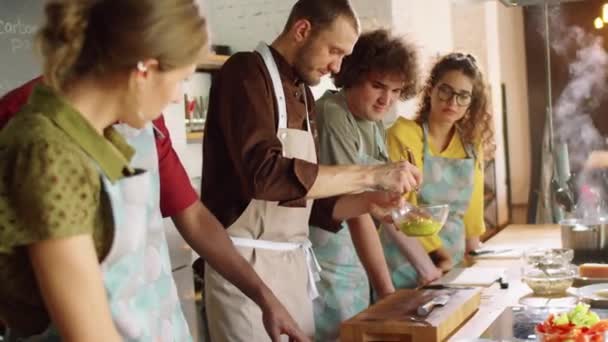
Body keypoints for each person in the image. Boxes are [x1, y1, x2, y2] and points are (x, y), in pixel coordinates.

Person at [0, 0, 305, 341]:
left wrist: (262, 296)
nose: (177, 98)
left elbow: (190, 216)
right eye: (180, 81)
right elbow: (90, 333)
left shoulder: (105, 133)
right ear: (144, 69)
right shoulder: (47, 152)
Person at [201, 0, 421, 340]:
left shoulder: (304, 95)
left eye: (344, 57)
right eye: (334, 51)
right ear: (302, 30)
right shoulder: (244, 72)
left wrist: (370, 202)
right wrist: (371, 174)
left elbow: (310, 202)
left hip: (293, 273)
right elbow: (266, 175)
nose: (337, 67)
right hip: (243, 273)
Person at [309, 28, 442, 341]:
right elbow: (355, 207)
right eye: (377, 86)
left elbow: (388, 205)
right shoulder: (334, 114)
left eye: (396, 91)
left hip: (354, 261)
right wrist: (387, 292)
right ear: (352, 75)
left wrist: (428, 270)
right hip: (327, 262)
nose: (387, 99)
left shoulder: (373, 122)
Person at [383, 52, 495, 287]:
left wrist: (475, 263)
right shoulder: (403, 135)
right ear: (431, 88)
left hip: (452, 266)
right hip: (408, 262)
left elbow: (472, 217)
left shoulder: (471, 147)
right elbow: (403, 211)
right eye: (446, 90)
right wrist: (437, 257)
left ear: (471, 102)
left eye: (463, 96)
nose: (453, 102)